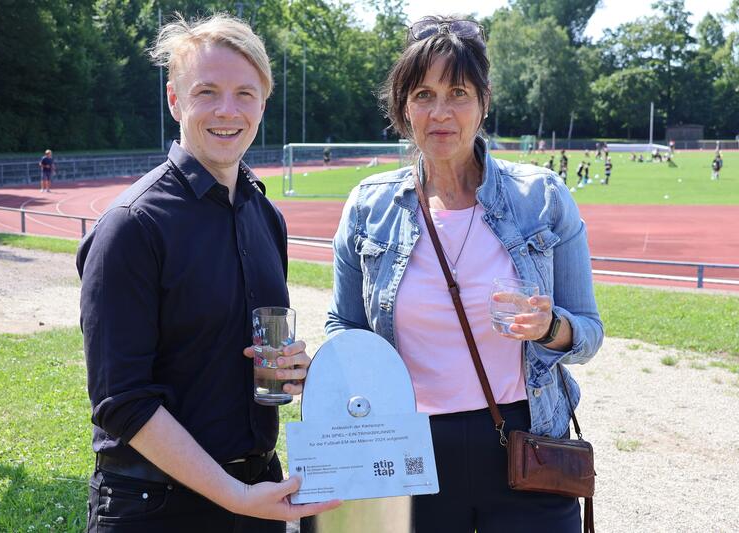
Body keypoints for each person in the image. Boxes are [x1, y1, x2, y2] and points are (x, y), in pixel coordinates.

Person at [326, 16, 603, 532]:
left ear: (483, 102)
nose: (441, 112)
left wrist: (549, 328)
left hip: (525, 440)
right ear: (403, 107)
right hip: (409, 447)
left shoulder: (541, 198)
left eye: (458, 92)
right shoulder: (369, 207)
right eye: (424, 94)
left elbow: (588, 333)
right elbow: (343, 326)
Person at [76, 14, 339, 533]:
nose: (227, 110)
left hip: (257, 492)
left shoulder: (266, 217)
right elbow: (122, 403)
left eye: (245, 93)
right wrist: (235, 497)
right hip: (156, 508)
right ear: (175, 101)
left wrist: (298, 369)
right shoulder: (132, 227)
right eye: (207, 92)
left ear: (263, 103)